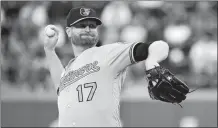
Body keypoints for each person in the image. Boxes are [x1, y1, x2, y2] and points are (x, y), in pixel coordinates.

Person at [43, 7, 189, 127]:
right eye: (82, 25)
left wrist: (151, 62)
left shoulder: (108, 53)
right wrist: (49, 51)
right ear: (68, 31)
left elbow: (159, 46)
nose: (88, 29)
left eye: (92, 26)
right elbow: (60, 86)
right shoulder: (69, 69)